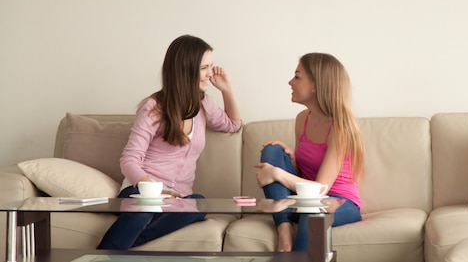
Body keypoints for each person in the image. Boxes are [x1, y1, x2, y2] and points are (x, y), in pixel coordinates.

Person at [98, 34, 242, 249]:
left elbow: (233, 125)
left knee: (200, 203)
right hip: (142, 191)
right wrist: (154, 191)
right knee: (143, 212)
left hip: (178, 198)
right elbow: (129, 160)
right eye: (204, 68)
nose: (210, 74)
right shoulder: (153, 107)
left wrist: (227, 90)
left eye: (210, 66)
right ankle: (108, 251)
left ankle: (116, 243)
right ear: (186, 70)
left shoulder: (203, 104)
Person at [255, 53, 364, 252]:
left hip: (340, 202)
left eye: (297, 76)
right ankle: (284, 229)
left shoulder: (340, 128)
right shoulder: (302, 119)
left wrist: (277, 173)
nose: (290, 82)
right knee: (273, 150)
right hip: (305, 199)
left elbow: (321, 189)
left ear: (316, 85)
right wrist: (290, 159)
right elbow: (303, 175)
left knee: (313, 212)